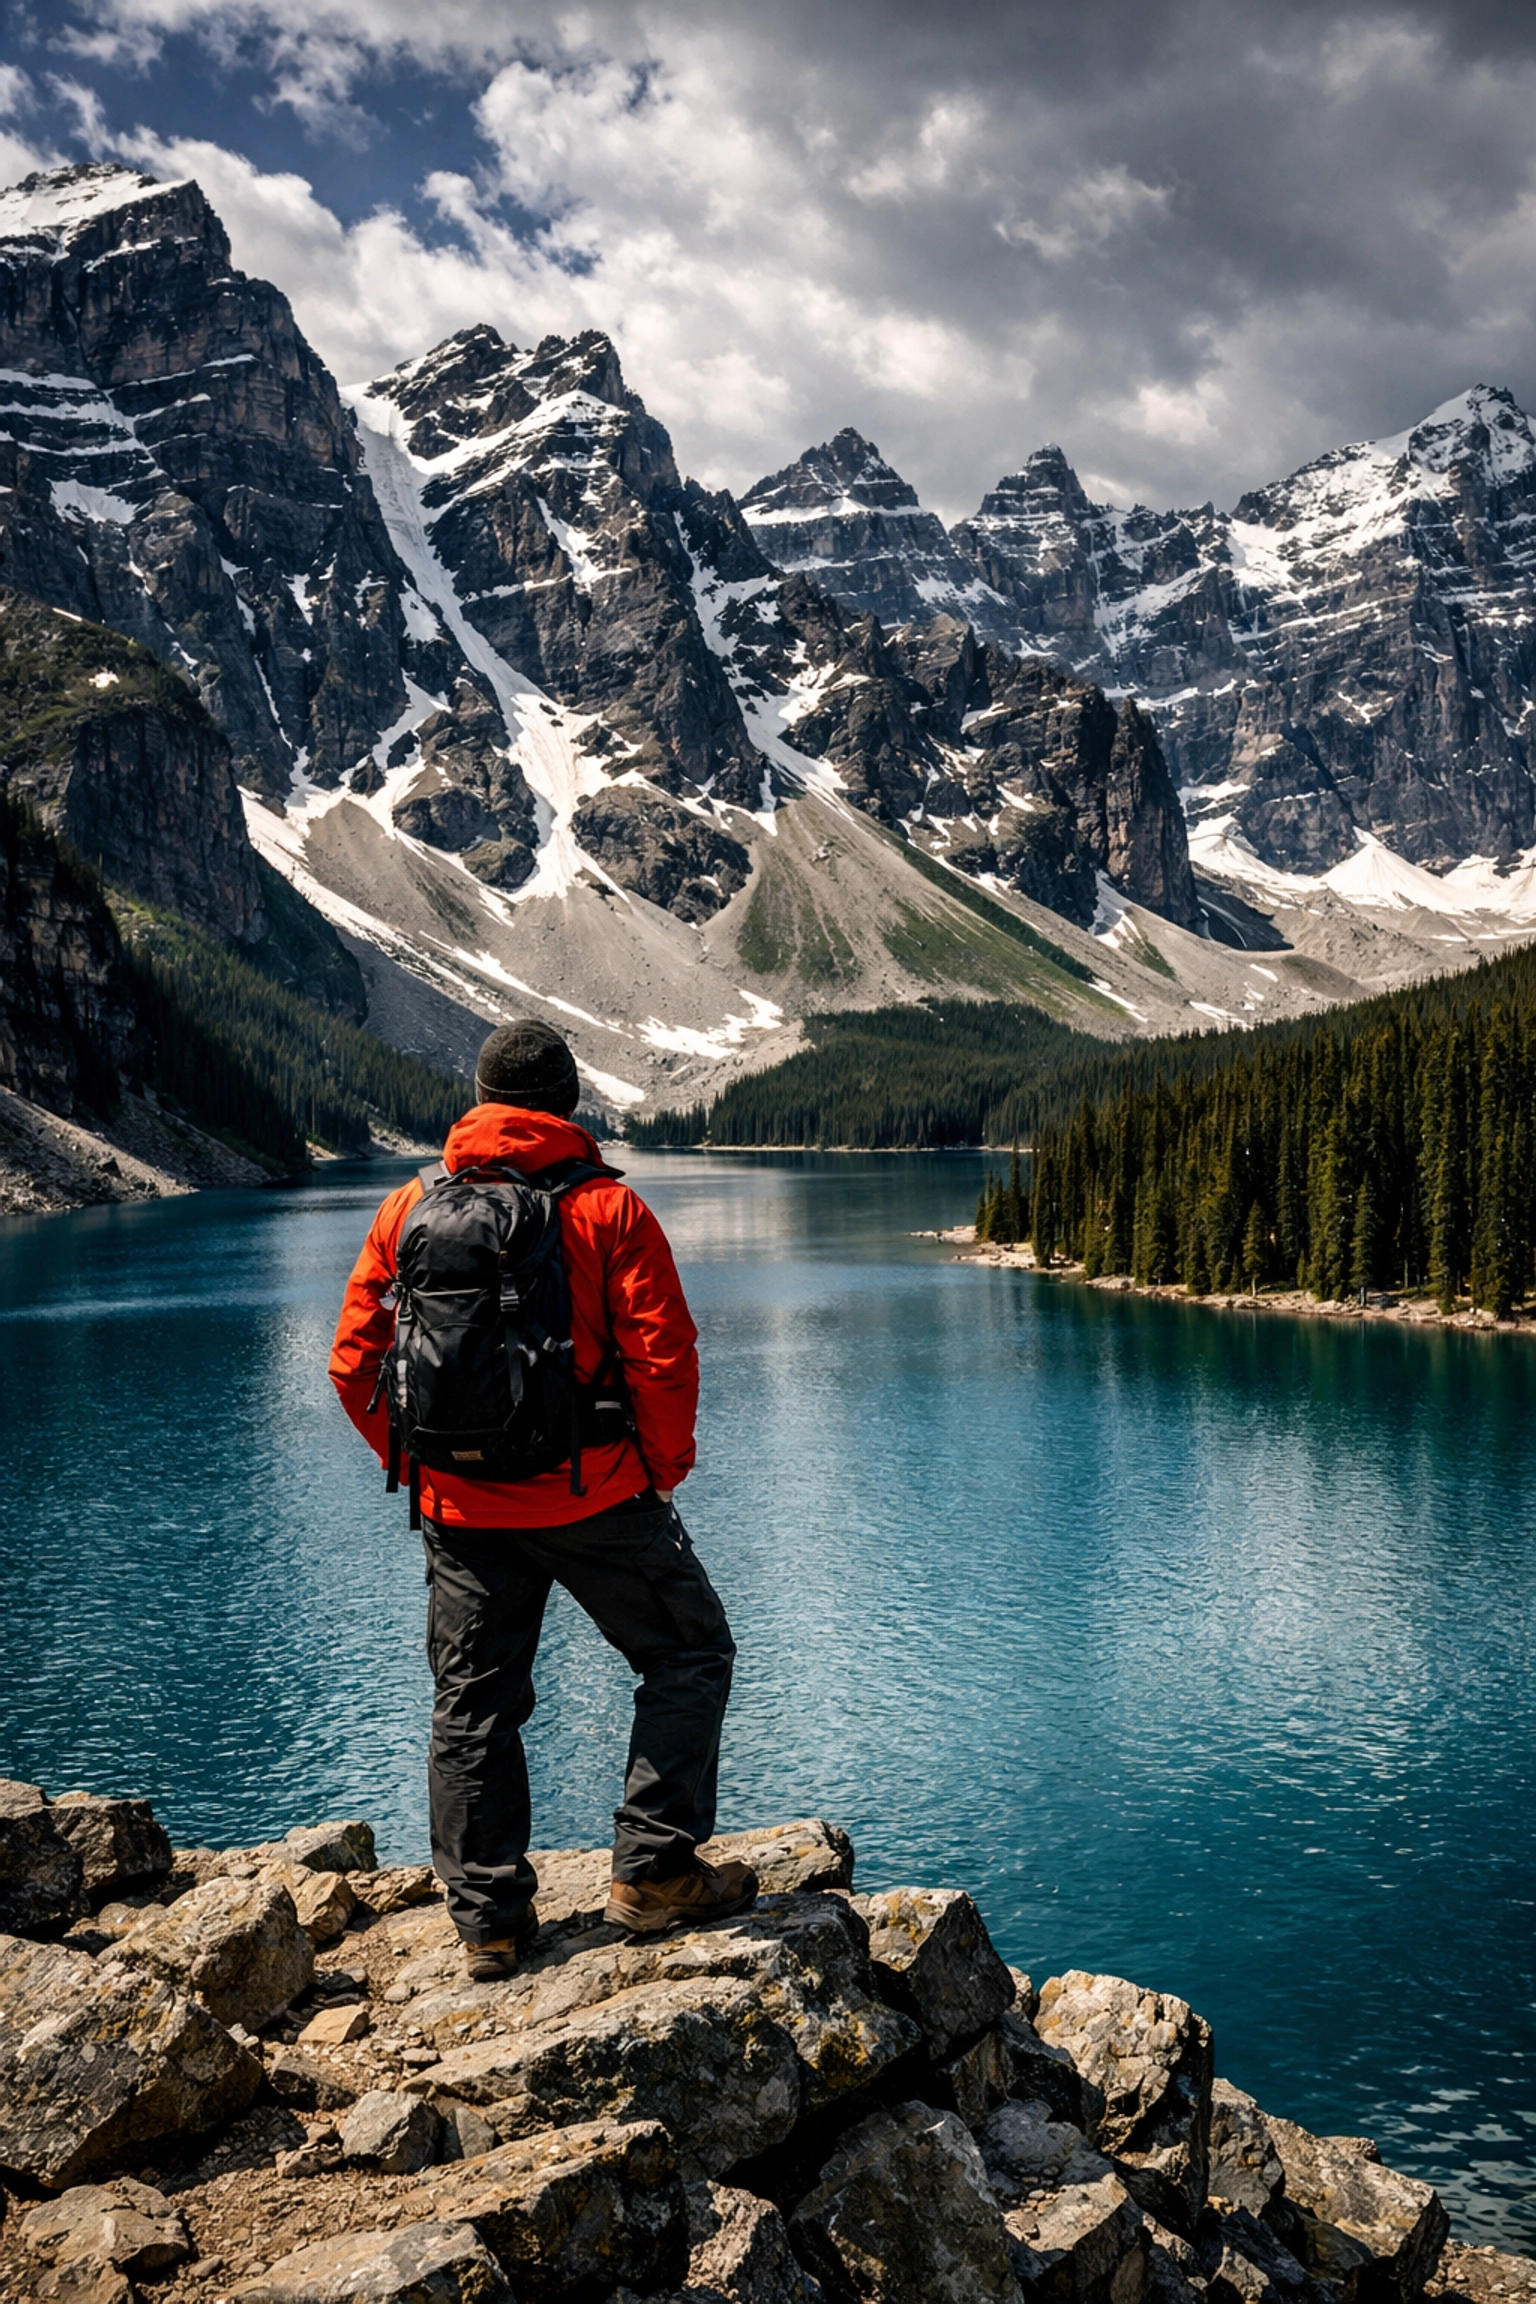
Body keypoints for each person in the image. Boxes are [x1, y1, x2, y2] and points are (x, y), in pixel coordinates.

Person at [329, 1018, 755, 1978]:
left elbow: (354, 1363)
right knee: (689, 1652)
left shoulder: (409, 1208)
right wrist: (658, 1469)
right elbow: (663, 1356)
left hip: (465, 1514)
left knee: (473, 1706)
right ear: (566, 1103)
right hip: (598, 1497)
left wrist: (428, 1469)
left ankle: (489, 1922)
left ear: (480, 1102)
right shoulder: (610, 1211)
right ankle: (652, 1870)